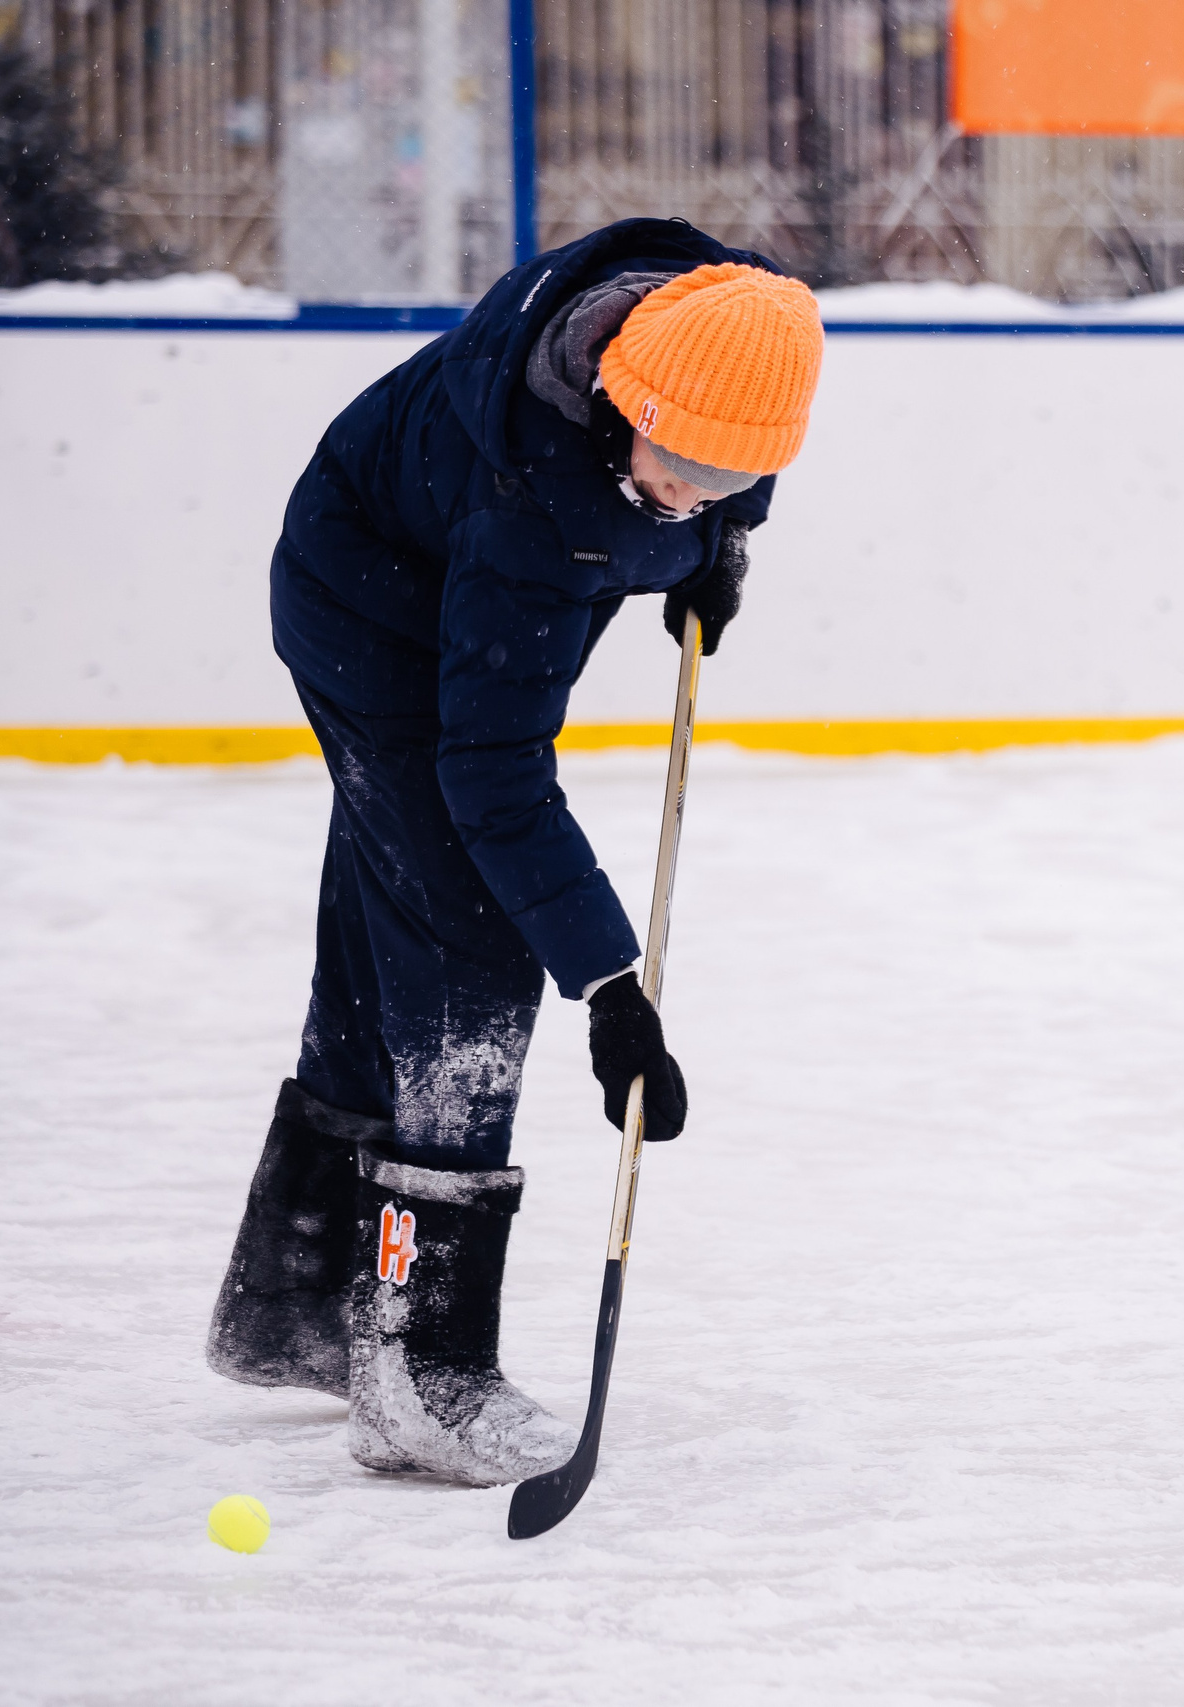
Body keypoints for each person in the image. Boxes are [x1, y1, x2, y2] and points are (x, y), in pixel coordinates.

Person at [203, 218, 823, 1482]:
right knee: (464, 943)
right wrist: (609, 986)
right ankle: (421, 1369)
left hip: (451, 569)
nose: (690, 492)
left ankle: (301, 1299)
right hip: (365, 610)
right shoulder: (541, 491)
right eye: (675, 470)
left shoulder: (729, 343)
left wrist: (715, 547)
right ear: (621, 400)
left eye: (726, 476)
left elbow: (723, 463)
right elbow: (491, 775)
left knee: (392, 922)